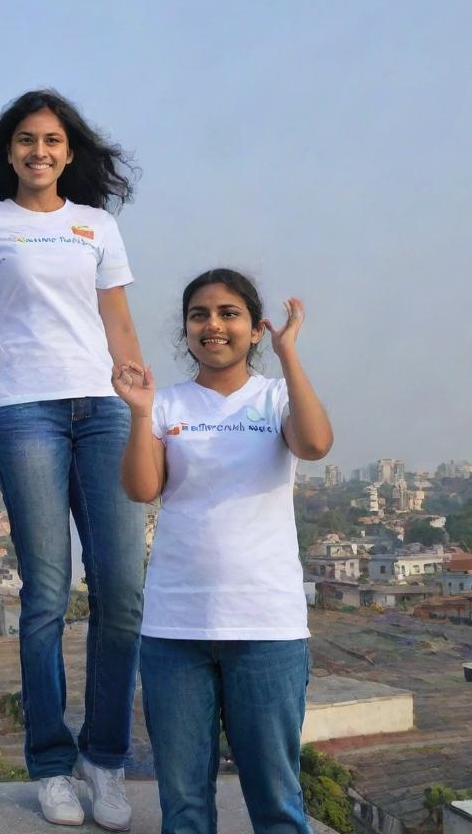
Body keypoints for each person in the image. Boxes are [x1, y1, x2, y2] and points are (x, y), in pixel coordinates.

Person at [0, 90, 147, 830]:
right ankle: (52, 763)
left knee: (122, 594)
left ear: (70, 151)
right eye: (27, 140)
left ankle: (105, 762)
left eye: (52, 140)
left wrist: (141, 399)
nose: (40, 152)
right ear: (9, 150)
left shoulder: (97, 226)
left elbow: (117, 320)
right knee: (46, 595)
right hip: (26, 414)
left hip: (105, 413)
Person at [113, 268, 334, 834]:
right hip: (175, 625)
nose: (213, 326)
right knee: (184, 804)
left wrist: (288, 354)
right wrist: (140, 413)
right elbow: (141, 488)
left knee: (277, 801)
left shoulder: (277, 395)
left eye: (228, 313)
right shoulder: (164, 403)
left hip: (266, 625)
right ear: (186, 329)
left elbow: (314, 444)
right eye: (199, 315)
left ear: (255, 328)